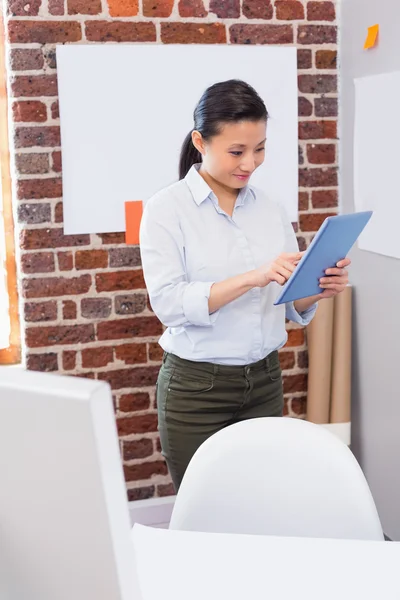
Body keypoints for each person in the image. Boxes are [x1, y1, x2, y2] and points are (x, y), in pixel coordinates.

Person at [139, 79, 350, 491]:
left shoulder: (270, 209)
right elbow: (169, 304)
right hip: (196, 391)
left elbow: (289, 300)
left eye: (260, 149)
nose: (250, 163)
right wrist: (253, 277)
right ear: (200, 141)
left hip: (265, 383)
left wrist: (318, 286)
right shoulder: (166, 210)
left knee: (261, 504)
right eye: (237, 151)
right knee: (203, 513)